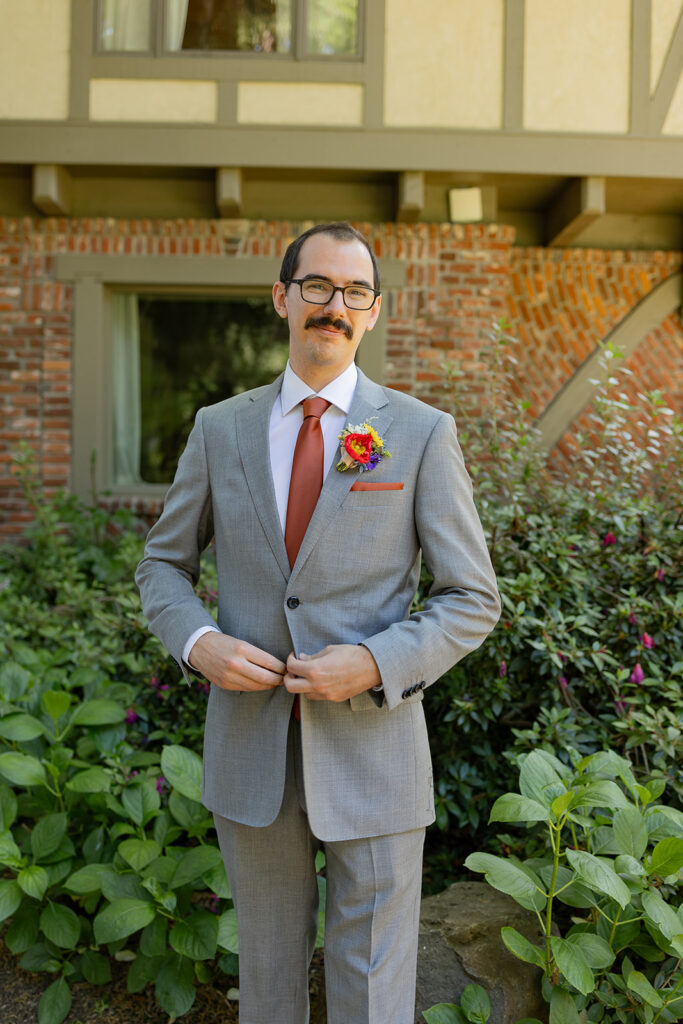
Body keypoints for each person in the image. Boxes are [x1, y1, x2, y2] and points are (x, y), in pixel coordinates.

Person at [136, 222, 500, 1024]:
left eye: (353, 292)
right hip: (249, 752)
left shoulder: (417, 433)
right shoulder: (218, 428)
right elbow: (161, 566)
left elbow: (471, 597)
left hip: (374, 755)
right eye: (317, 287)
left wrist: (371, 662)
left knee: (372, 989)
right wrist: (200, 643)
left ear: (374, 312)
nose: (334, 306)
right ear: (282, 298)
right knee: (266, 983)